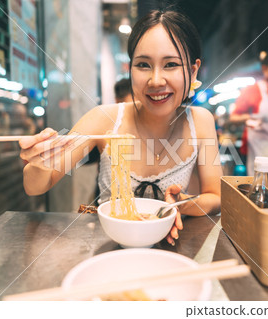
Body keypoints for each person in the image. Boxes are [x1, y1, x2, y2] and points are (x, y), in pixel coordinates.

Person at [19, 10, 222, 245]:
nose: (156, 80)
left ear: (193, 70)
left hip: (171, 243)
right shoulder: (104, 118)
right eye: (143, 64)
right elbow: (36, 187)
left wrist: (180, 204)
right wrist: (39, 160)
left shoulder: (200, 121)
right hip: (107, 242)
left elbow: (215, 197)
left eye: (171, 64)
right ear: (130, 68)